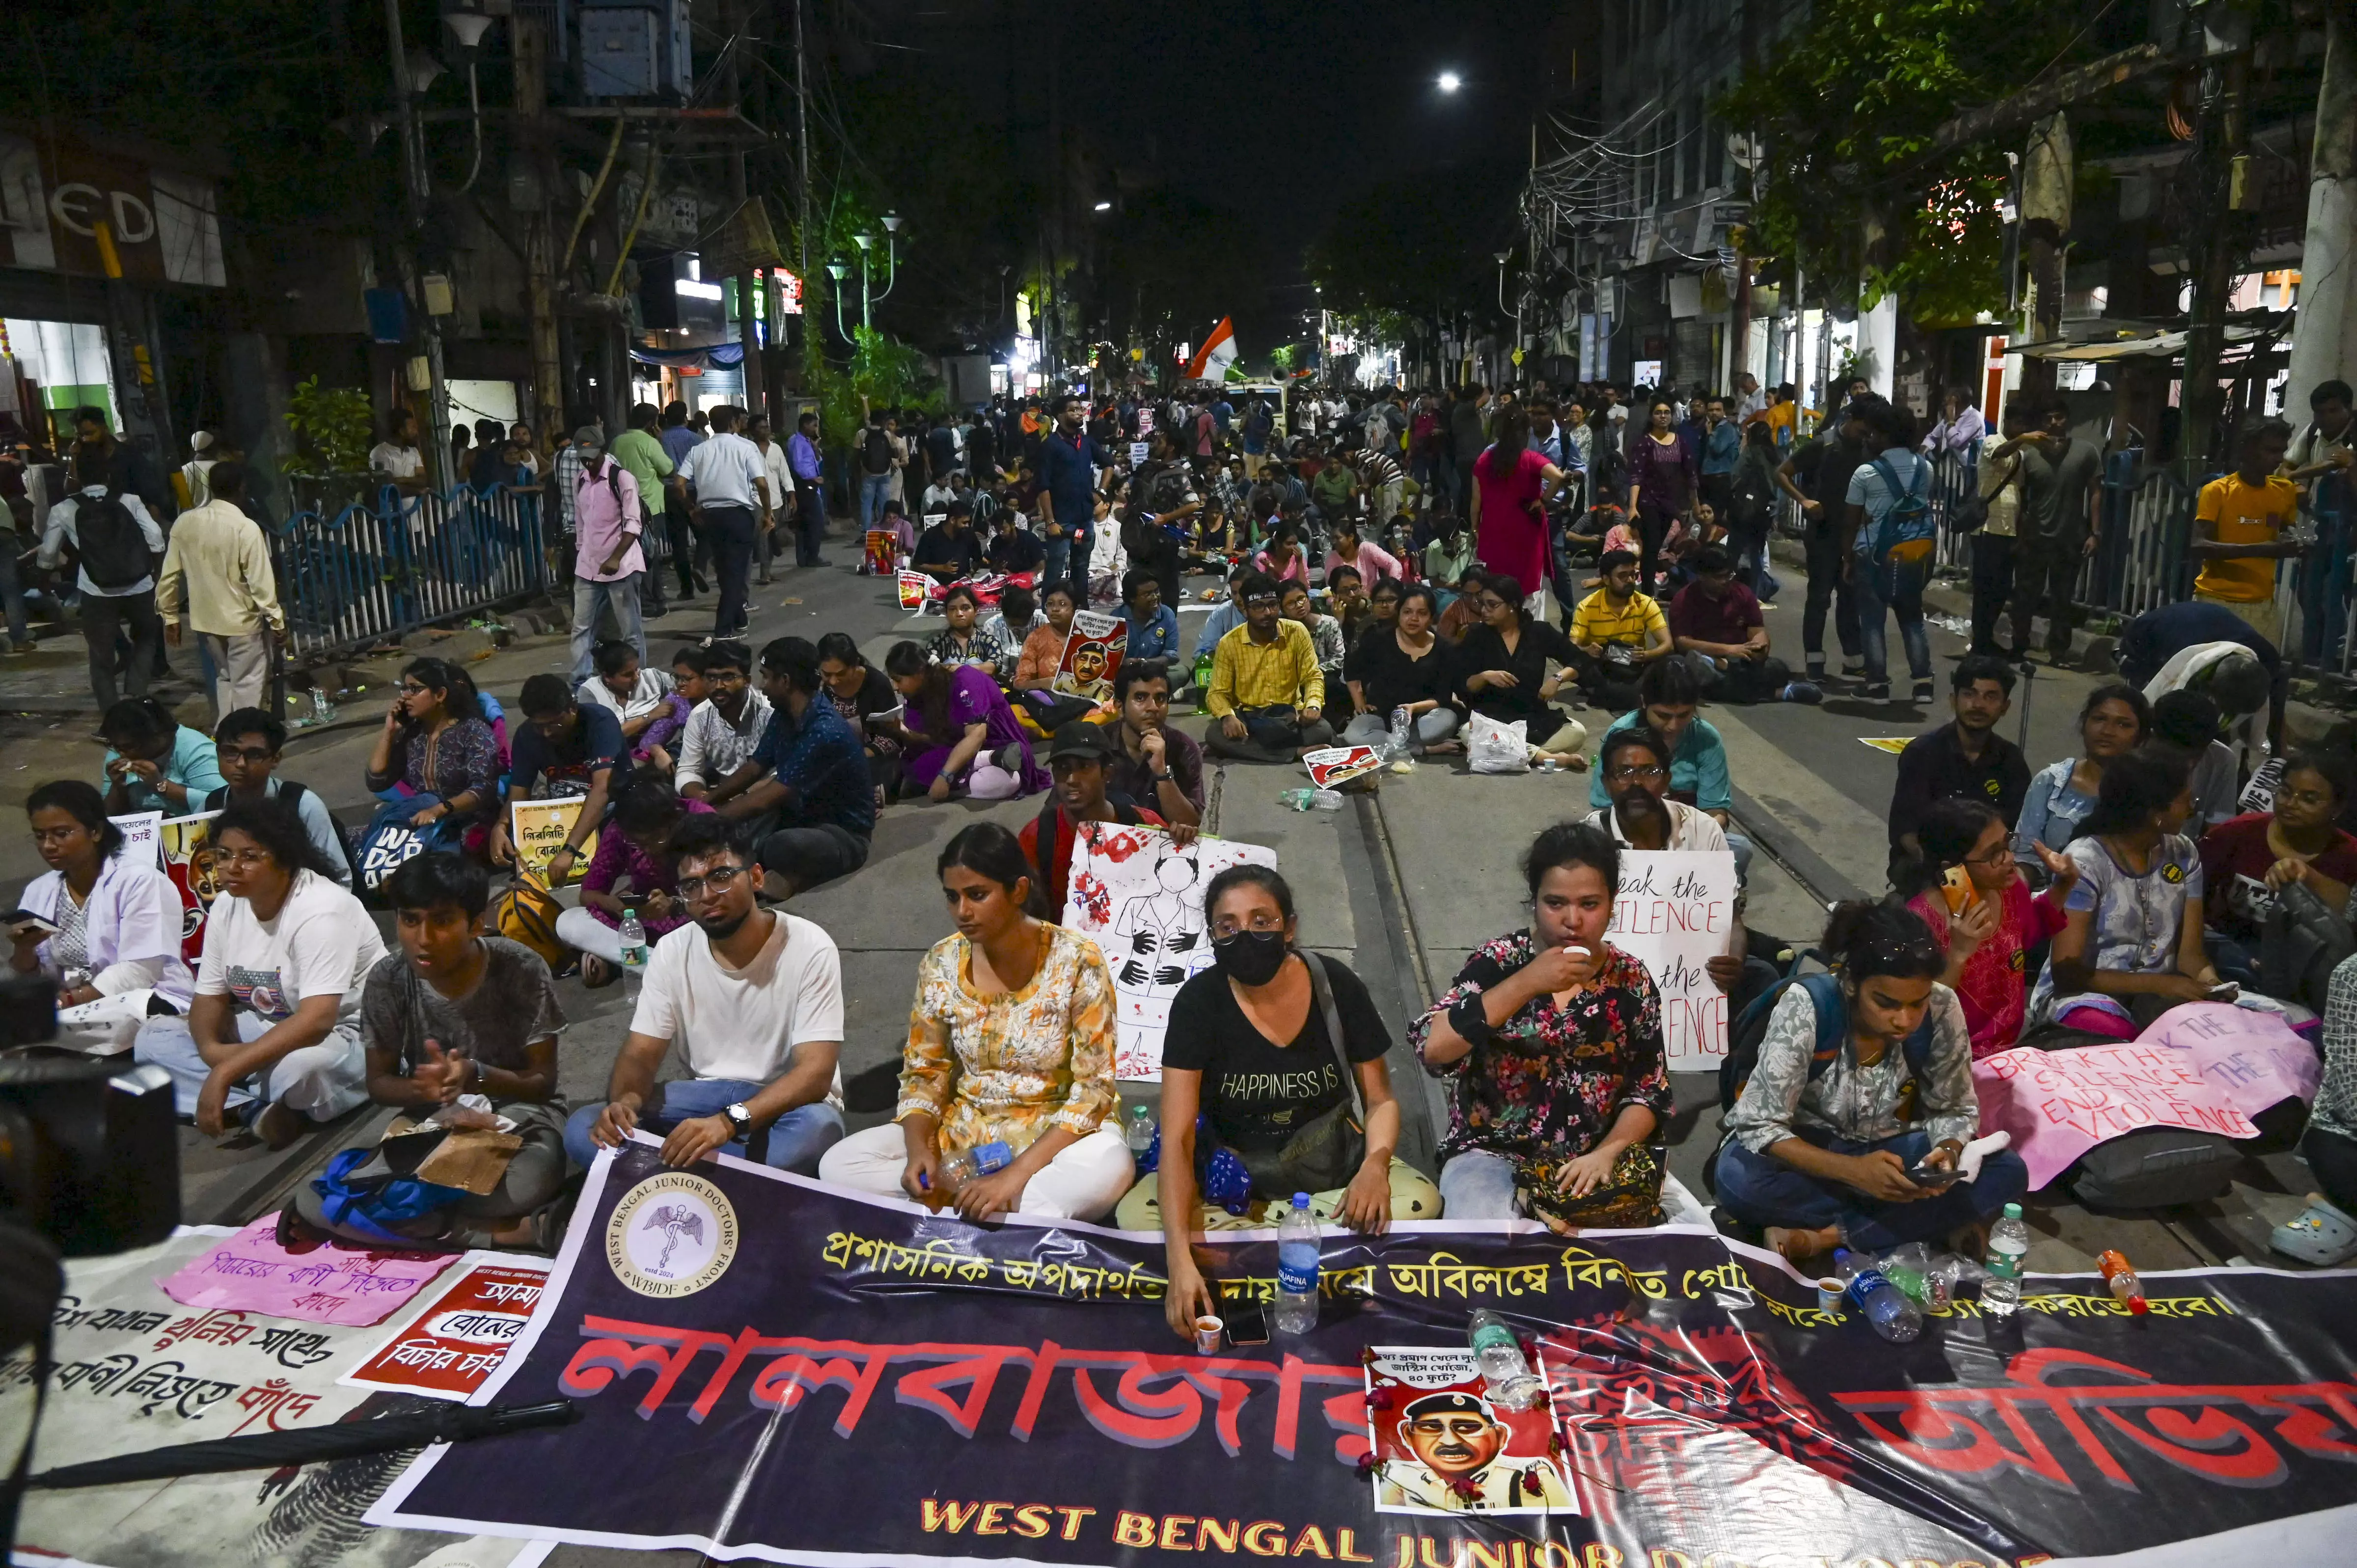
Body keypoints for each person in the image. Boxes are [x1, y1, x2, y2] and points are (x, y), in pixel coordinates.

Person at [1139, 865, 1437, 1314]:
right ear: (1213, 936)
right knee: (1140, 1219)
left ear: (1290, 927)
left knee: (1420, 1200)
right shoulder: (1198, 1005)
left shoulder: (1336, 986)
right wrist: (1180, 1261)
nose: (1245, 935)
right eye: (1228, 926)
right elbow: (1179, 1138)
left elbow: (1381, 1101)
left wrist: (1375, 1167)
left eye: (1262, 922)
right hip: (1234, 1184)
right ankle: (1311, 1247)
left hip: (1329, 1172)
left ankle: (1256, 1250)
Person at [817, 823, 1132, 1220]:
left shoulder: (1076, 959)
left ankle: (957, 1209)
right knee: (840, 1166)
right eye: (953, 897)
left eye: (977, 895)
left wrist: (1013, 1176)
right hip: (968, 1134)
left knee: (1108, 1167)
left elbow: (1094, 1091)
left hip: (1058, 1135)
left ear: (1018, 891)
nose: (962, 912)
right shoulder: (941, 961)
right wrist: (919, 1153)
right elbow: (924, 1074)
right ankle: (991, 1214)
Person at [1718, 899, 2028, 1263]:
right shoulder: (1810, 1006)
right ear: (1851, 983)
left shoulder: (1943, 1007)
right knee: (1736, 1178)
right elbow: (1759, 1123)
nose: (1904, 1019)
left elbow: (1955, 1107)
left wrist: (1946, 1151)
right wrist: (1854, 1173)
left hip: (1893, 1153)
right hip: (1812, 1154)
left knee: (2007, 1171)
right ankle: (1920, 1222)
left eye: (1918, 1004)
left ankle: (1826, 1238)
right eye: (1886, 1003)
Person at [291, 853, 569, 1250]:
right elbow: (380, 1084)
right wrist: (426, 1092)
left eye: (441, 922)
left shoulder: (521, 968)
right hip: (430, 1120)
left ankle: (380, 1218)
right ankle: (500, 1232)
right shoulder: (388, 978)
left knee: (526, 1184)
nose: (423, 939)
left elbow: (543, 1084)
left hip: (518, 1115)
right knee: (311, 1195)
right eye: (410, 920)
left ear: (474, 924)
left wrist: (475, 1074)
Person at [1411, 822, 1673, 1228]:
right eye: (1555, 903)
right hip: (1491, 1154)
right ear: (1533, 901)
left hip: (1590, 1161)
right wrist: (1526, 983)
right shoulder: (1500, 961)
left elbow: (1649, 1088)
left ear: (1613, 901)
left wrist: (1609, 1151)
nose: (1572, 920)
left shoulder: (1630, 979)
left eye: (1590, 904)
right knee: (1487, 1251)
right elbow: (1434, 1049)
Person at [564, 815, 847, 1175]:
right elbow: (641, 1054)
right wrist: (625, 1103)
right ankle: (732, 1180)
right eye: (692, 886)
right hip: (703, 1098)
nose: (708, 895)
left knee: (817, 1134)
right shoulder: (671, 951)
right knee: (585, 1129)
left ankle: (672, 1180)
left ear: (757, 877)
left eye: (722, 877)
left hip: (786, 1105)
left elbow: (815, 1074)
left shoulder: (809, 945)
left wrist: (728, 1123)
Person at [133, 798, 387, 1145]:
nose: (231, 868)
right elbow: (209, 997)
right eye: (223, 855)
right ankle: (252, 1109)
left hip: (353, 1033)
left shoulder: (322, 910)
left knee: (301, 1070)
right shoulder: (226, 905)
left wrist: (226, 1069)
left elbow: (318, 1021)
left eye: (250, 857)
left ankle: (236, 1094)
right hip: (276, 1029)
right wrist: (211, 1051)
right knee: (153, 1038)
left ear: (285, 859)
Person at [2031, 747, 2218, 1035]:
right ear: (2155, 813)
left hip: (2157, 997)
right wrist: (2160, 983)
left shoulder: (2184, 853)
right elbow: (2068, 974)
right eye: (2185, 800)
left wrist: (2212, 988)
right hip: (2085, 998)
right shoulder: (2086, 861)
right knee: (2121, 1036)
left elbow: (2190, 956)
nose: (2192, 808)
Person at [1900, 798, 2077, 1058]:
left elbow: (2031, 932)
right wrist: (1958, 954)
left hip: (2010, 1049)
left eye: (2007, 844)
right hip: (1950, 1059)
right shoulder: (1918, 923)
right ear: (1951, 869)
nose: (2010, 858)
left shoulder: (2010, 889)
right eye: (1993, 854)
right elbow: (1918, 1013)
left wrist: (2063, 885)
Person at [709, 636, 877, 893]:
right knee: (738, 830)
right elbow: (756, 766)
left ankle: (790, 877)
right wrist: (707, 802)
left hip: (842, 835)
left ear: (785, 681)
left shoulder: (824, 731)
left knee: (779, 845)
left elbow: (769, 797)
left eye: (766, 677)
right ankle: (771, 875)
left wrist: (708, 820)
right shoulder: (785, 714)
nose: (763, 687)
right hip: (799, 817)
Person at [13, 779, 194, 1012]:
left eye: (61, 834)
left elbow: (141, 970)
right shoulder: (38, 891)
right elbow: (32, 977)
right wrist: (24, 949)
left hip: (142, 999)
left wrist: (66, 1002)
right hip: (69, 1006)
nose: (48, 846)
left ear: (96, 831)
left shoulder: (139, 881)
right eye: (40, 836)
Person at [1585, 659, 1752, 877]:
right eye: (1663, 716)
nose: (1673, 726)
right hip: (1629, 835)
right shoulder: (1621, 735)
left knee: (1740, 848)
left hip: (1689, 835)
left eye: (1684, 715)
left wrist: (1689, 842)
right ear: (1644, 703)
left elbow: (1715, 811)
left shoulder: (1706, 738)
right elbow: (1603, 808)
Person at [553, 767, 713, 983]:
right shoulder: (619, 831)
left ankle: (623, 962)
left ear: (674, 820)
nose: (646, 850)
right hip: (643, 924)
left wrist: (675, 904)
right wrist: (615, 904)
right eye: (637, 843)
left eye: (655, 839)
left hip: (692, 919)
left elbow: (725, 886)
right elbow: (589, 893)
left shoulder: (702, 820)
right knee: (568, 922)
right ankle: (658, 968)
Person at [2198, 752, 2357, 968]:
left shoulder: (2350, 856)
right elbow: (2191, 893)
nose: (2291, 804)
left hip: (2308, 970)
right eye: (2285, 792)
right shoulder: (2236, 833)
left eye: (2309, 799)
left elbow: (2347, 925)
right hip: (2231, 955)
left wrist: (2309, 877)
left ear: (2337, 808)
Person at [39, 448, 168, 708]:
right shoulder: (130, 500)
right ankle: (136, 693)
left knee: (101, 654)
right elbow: (155, 536)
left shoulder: (64, 509)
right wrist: (155, 571)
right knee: (146, 637)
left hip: (96, 590)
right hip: (139, 584)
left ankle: (111, 714)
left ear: (76, 477)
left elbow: (49, 552)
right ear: (109, 475)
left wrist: (43, 576)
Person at [154, 460, 282, 715]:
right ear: (242, 487)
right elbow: (260, 583)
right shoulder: (246, 528)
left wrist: (169, 616)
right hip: (242, 622)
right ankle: (243, 742)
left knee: (225, 680)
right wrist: (277, 620)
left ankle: (225, 740)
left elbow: (169, 575)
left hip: (207, 621)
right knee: (247, 686)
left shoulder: (185, 522)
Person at [1018, 722, 1185, 914]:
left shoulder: (1146, 826)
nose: (1072, 779)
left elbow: (1177, 890)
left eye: (1084, 767)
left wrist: (1184, 844)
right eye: (1063, 768)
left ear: (1107, 773)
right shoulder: (1036, 838)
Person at [1887, 655, 2028, 876]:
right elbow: (1906, 831)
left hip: (1987, 870)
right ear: (1954, 700)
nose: (1978, 704)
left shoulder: (2011, 760)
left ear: (2005, 707)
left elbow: (2017, 829)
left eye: (1991, 697)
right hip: (1925, 867)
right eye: (1969, 694)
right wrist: (1950, 873)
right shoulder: (1922, 753)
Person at [1839, 400, 1937, 703]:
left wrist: (1847, 559)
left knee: (1872, 620)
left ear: (1884, 435)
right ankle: (1923, 684)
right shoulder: (1926, 468)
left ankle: (1877, 684)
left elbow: (1851, 522)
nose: (1869, 438)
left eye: (1874, 433)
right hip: (1914, 551)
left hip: (1874, 553)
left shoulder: (1866, 473)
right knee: (1912, 618)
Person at [2000, 395, 2105, 661]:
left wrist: (2095, 532)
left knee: (2063, 600)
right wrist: (2018, 533)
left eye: (2059, 417)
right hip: (2034, 537)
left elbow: (2096, 492)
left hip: (2070, 538)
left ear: (2067, 420)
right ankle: (2019, 645)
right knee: (2025, 597)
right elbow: (2020, 497)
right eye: (2048, 418)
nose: (2054, 423)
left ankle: (2058, 651)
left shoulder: (2086, 452)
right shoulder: (2028, 455)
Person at [492, 674, 623, 879]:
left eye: (554, 724)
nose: (546, 733)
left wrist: (569, 850)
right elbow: (518, 794)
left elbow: (602, 789)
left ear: (572, 708)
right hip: (564, 815)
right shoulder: (527, 735)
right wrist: (501, 825)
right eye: (539, 726)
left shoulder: (600, 722)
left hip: (613, 806)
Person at [1776, 399, 1869, 682]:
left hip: (1854, 534)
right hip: (1823, 533)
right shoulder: (1824, 445)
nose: (1866, 435)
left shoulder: (1869, 447)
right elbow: (1781, 472)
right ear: (1851, 418)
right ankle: (1814, 660)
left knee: (1850, 597)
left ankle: (1854, 660)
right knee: (1819, 598)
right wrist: (1804, 501)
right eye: (1863, 428)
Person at [204, 709, 352, 887]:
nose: (240, 763)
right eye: (230, 752)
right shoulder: (209, 807)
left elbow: (341, 879)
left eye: (254, 755)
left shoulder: (303, 806)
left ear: (276, 759)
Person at [365, 658, 504, 846]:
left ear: (440, 694)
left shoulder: (473, 731)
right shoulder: (413, 734)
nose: (406, 696)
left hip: (469, 821)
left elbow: (483, 789)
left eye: (414, 689)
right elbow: (377, 781)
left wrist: (441, 809)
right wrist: (389, 732)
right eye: (404, 689)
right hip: (426, 819)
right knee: (366, 838)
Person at [885, 638, 1046, 800]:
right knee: (919, 762)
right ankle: (994, 758)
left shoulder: (965, 680)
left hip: (994, 741)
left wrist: (945, 776)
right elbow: (933, 740)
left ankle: (977, 767)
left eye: (898, 680)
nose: (895, 687)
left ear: (920, 672)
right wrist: (905, 732)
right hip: (955, 749)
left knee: (1008, 781)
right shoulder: (915, 696)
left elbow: (977, 736)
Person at [2190, 415, 2303, 644]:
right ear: (2247, 449)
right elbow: (2197, 546)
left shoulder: (2285, 491)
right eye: (2270, 451)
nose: (2278, 459)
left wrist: (2299, 544)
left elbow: (2286, 534)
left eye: (2282, 451)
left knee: (2261, 674)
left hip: (2262, 603)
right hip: (2217, 600)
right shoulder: (2217, 491)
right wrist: (2262, 549)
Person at [1203, 571, 1334, 762]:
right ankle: (1295, 752)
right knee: (1214, 733)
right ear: (1245, 610)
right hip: (1250, 718)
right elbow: (1217, 693)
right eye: (1258, 607)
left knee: (1323, 730)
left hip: (1289, 717)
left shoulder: (1296, 632)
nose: (1268, 613)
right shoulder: (1228, 643)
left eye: (1273, 605)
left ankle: (1256, 749)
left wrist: (1313, 705)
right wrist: (1227, 717)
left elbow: (1313, 676)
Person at [2012, 683, 2152, 857]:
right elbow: (2026, 851)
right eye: (2099, 719)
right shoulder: (2051, 783)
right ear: (2084, 724)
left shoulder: (2151, 792)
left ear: (2142, 737)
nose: (2108, 731)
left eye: (2123, 725)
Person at [1460, 572, 1589, 754]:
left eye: (1492, 605)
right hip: (1493, 718)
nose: (1484, 611)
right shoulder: (1477, 635)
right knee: (1468, 732)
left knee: (1577, 732)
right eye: (1483, 604)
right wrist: (1485, 676)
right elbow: (1464, 684)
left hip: (1533, 717)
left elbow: (1580, 660)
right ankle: (1539, 756)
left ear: (1513, 605)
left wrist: (1557, 678)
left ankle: (1513, 753)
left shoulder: (1538, 632)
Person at [1667, 544, 1812, 704]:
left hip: (1740, 661)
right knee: (1681, 669)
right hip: (1705, 655)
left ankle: (1720, 669)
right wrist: (1728, 650)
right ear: (1702, 576)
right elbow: (1683, 642)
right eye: (1720, 577)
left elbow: (1757, 630)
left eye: (1730, 575)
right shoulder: (1684, 600)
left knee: (1778, 670)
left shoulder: (1742, 593)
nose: (1727, 581)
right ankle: (1780, 694)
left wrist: (1760, 645)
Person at [677, 405, 769, 643]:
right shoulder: (745, 448)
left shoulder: (699, 450)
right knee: (736, 571)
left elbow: (678, 484)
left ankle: (738, 618)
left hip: (710, 515)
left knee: (725, 569)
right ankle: (723, 629)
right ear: (733, 424)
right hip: (738, 514)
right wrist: (768, 513)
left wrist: (690, 508)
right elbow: (761, 483)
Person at [1472, 406, 1574, 616]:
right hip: (1527, 534)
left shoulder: (1484, 461)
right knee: (1529, 594)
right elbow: (1558, 478)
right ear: (1526, 432)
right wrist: (1543, 501)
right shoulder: (1530, 459)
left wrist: (1475, 529)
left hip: (1494, 533)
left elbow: (1476, 501)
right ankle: (1527, 639)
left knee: (1496, 590)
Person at [1344, 582, 1462, 753]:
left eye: (1422, 613)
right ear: (1399, 614)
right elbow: (1351, 670)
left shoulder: (1443, 649)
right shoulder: (1379, 640)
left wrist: (1413, 708)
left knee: (1447, 720)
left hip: (1422, 718)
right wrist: (1359, 701)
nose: (1414, 619)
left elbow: (1443, 697)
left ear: (1431, 618)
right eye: (1407, 612)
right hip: (1382, 718)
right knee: (1353, 736)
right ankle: (1422, 750)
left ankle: (1396, 745)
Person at [1099, 658, 1204, 825]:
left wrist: (1162, 772)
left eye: (1160, 698)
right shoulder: (1096, 744)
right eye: (1140, 698)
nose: (1153, 707)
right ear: (1119, 708)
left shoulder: (1184, 748)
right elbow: (1060, 812)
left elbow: (1190, 823)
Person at [1567, 548, 1672, 709]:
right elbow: (1572, 646)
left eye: (1633, 575)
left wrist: (1646, 655)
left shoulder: (1645, 603)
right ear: (1606, 579)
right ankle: (1629, 694)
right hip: (1602, 666)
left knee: (1673, 662)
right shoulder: (1587, 606)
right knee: (1576, 660)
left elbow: (1667, 644)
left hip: (1634, 666)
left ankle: (1611, 694)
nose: (1630, 580)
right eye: (1623, 576)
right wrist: (1587, 649)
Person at [1966, 398, 2030, 658]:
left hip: (2008, 530)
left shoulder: (2021, 454)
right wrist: (2024, 438)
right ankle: (1980, 641)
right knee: (1985, 588)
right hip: (1988, 528)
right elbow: (1999, 454)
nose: (2022, 429)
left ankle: (1986, 637)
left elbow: (2020, 491)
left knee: (2001, 588)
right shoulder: (1992, 442)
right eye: (2019, 424)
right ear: (2009, 421)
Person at [674, 640, 771, 801]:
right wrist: (703, 798)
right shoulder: (700, 717)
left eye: (728, 678)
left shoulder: (769, 712)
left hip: (766, 799)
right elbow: (688, 771)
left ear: (747, 680)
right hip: (719, 798)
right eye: (711, 678)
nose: (718, 686)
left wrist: (739, 798)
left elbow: (782, 773)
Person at [98, 697, 226, 816]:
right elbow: (109, 814)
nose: (122, 753)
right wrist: (118, 787)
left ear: (161, 736)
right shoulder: (120, 751)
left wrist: (161, 785)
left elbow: (222, 804)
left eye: (132, 746)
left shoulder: (195, 750)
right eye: (116, 747)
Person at [576, 638, 687, 767]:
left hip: (657, 750)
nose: (636, 677)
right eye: (628, 675)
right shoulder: (590, 693)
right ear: (607, 677)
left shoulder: (653, 678)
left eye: (637, 669)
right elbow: (603, 737)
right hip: (613, 760)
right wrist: (649, 716)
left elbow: (686, 689)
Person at [1039, 394, 1108, 592]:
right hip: (1062, 521)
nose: (1080, 413)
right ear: (1060, 415)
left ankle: (1081, 609)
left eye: (1080, 409)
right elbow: (1043, 486)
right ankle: (1048, 613)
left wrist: (1101, 492)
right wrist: (1050, 522)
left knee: (1081, 567)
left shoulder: (1086, 442)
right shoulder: (1050, 446)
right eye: (1073, 410)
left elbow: (1108, 464)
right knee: (1056, 568)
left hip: (1085, 518)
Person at [2148, 689, 2243, 835]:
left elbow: (2218, 829)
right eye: (2175, 757)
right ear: (2153, 737)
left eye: (2196, 756)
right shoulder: (2130, 755)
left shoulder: (2221, 759)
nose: (2188, 765)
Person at [927, 583, 1005, 675]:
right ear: (946, 613)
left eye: (965, 608)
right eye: (953, 609)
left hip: (979, 688)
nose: (959, 613)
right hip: (950, 688)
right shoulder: (937, 643)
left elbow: (994, 666)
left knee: (973, 661)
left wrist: (960, 669)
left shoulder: (989, 641)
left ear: (976, 611)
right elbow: (930, 669)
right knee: (949, 662)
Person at [1120, 569, 1181, 662]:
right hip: (1127, 672)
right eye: (1147, 594)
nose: (1155, 597)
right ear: (1132, 598)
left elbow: (1171, 655)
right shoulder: (1117, 619)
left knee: (1183, 671)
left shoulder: (1167, 614)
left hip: (1156, 669)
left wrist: (1144, 663)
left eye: (1156, 591)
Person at [912, 505, 984, 584]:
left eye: (968, 523)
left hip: (962, 586)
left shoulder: (969, 534)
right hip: (936, 585)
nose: (967, 526)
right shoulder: (930, 536)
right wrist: (942, 568)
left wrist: (971, 573)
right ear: (953, 520)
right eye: (964, 523)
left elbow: (978, 559)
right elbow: (917, 566)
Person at [368, 408, 429, 492]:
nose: (416, 432)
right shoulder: (380, 452)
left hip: (416, 505)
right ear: (402, 431)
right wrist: (418, 491)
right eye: (413, 428)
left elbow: (423, 481)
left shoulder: (414, 451)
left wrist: (400, 480)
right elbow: (387, 488)